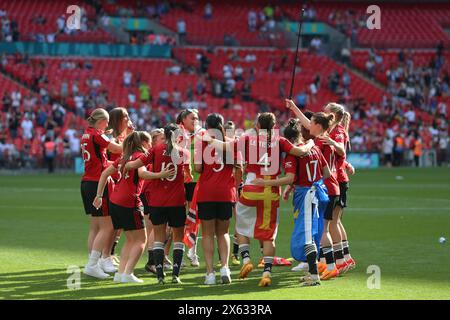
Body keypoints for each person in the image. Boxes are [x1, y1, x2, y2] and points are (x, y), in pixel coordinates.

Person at [202, 112, 316, 286]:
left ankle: (246, 260)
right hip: (271, 189)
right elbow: (300, 151)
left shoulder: (248, 138)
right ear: (274, 126)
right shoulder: (280, 140)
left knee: (240, 226)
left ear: (257, 125)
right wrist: (311, 142)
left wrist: (208, 139)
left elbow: (226, 146)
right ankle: (267, 272)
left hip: (251, 186)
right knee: (269, 235)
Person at [254, 117, 331, 286]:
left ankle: (314, 276)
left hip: (306, 196)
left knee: (307, 236)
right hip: (319, 193)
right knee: (313, 233)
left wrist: (266, 183)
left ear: (287, 140)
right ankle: (314, 271)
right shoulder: (315, 149)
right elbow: (326, 173)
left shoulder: (291, 155)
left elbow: (289, 177)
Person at [94, 131, 174, 283]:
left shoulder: (124, 157)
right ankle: (128, 273)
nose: (150, 145)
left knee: (130, 239)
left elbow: (105, 173)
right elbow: (142, 174)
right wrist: (160, 174)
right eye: (149, 142)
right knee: (141, 240)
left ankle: (121, 273)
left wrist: (99, 196)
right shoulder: (139, 157)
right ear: (143, 143)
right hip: (129, 201)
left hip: (115, 201)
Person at [285, 100, 344, 280]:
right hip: (329, 187)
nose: (307, 125)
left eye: (311, 123)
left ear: (318, 126)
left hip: (324, 189)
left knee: (322, 230)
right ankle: (329, 263)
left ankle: (330, 266)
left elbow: (324, 170)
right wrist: (294, 107)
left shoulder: (319, 142)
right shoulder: (323, 138)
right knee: (322, 228)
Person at [124, 123, 189, 284]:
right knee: (178, 237)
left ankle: (160, 275)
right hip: (177, 201)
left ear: (165, 135)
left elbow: (135, 166)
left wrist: (126, 164)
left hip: (158, 201)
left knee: (158, 237)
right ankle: (176, 275)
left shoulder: (155, 150)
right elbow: (189, 177)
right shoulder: (183, 153)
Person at [80, 109, 122, 279]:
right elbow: (116, 148)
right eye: (106, 122)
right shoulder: (97, 135)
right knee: (108, 226)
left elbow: (100, 159)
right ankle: (92, 265)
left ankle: (93, 263)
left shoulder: (86, 135)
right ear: (101, 121)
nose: (108, 125)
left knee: (95, 227)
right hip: (99, 183)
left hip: (87, 182)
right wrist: (132, 142)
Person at [194, 113, 235, 285]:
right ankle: (225, 267)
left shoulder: (201, 142)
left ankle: (210, 273)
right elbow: (237, 165)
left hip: (207, 193)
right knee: (223, 232)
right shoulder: (231, 142)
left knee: (208, 234)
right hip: (226, 192)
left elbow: (198, 168)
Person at [106, 108, 134, 264]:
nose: (128, 119)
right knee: (112, 222)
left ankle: (110, 252)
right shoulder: (110, 137)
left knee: (119, 224)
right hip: (112, 181)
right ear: (117, 119)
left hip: (123, 182)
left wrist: (130, 135)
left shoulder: (125, 136)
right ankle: (105, 254)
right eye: (125, 116)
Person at [176, 109, 201, 267]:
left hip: (195, 182)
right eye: (193, 118)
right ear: (184, 119)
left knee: (194, 218)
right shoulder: (176, 134)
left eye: (197, 118)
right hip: (179, 182)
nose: (196, 121)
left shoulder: (200, 134)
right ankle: (178, 254)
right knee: (178, 219)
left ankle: (192, 252)